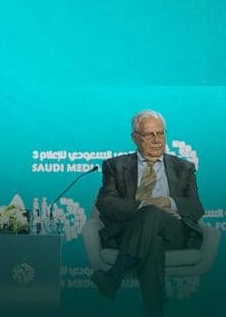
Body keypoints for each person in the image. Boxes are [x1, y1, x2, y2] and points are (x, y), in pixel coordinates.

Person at [91, 110, 204, 316]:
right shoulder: (115, 166)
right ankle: (154, 311)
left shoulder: (183, 167)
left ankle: (114, 276)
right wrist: (144, 205)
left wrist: (168, 202)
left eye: (160, 133)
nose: (157, 140)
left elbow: (196, 207)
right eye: (149, 134)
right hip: (132, 232)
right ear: (135, 138)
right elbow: (106, 203)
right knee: (153, 239)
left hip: (173, 231)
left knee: (153, 214)